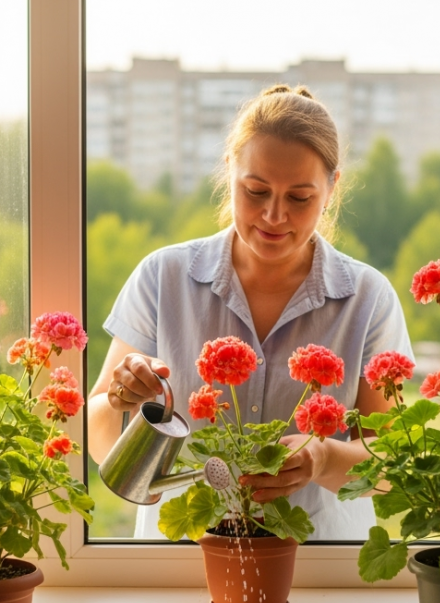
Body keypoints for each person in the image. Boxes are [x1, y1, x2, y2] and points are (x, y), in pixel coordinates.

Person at [86, 84, 414, 540]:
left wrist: (324, 458)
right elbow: (101, 443)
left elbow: (393, 461)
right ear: (229, 171)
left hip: (321, 571)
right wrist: (122, 400)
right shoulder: (162, 277)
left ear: (332, 188)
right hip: (180, 571)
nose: (274, 215)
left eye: (299, 198)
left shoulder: (368, 297)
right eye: (256, 191)